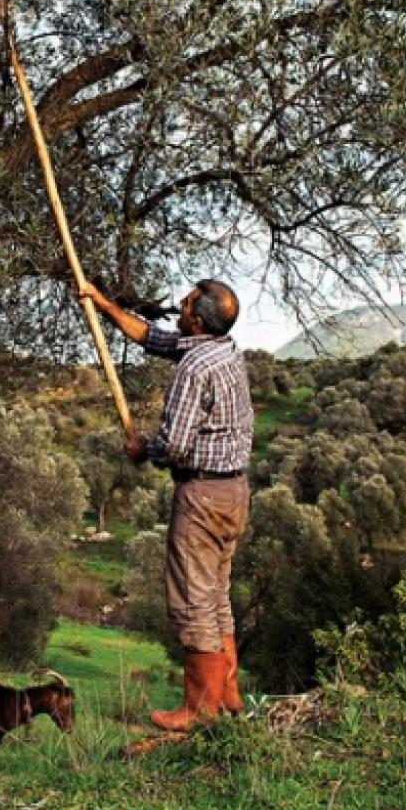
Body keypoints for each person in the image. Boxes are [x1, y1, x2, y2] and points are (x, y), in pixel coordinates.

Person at [78, 279, 253, 730]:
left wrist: (144, 452)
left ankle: (197, 710)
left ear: (197, 317)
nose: (181, 302)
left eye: (189, 301)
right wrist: (103, 305)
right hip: (233, 492)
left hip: (202, 496)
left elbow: (174, 445)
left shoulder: (195, 367)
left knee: (194, 598)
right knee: (216, 597)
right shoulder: (224, 350)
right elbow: (153, 338)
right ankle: (228, 697)